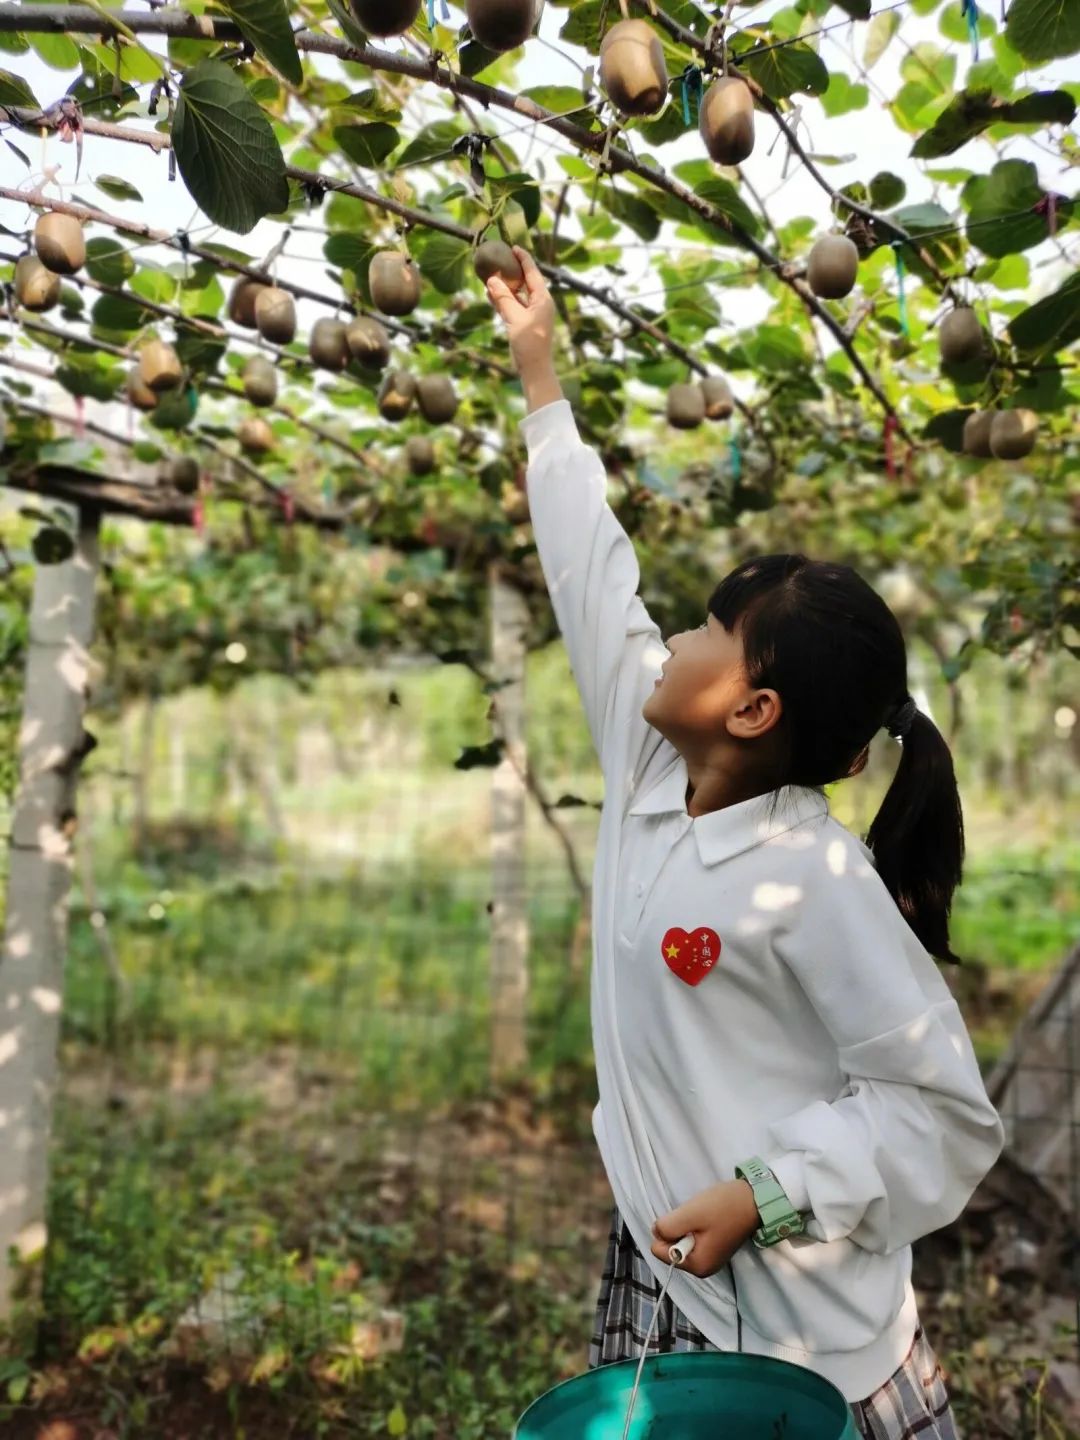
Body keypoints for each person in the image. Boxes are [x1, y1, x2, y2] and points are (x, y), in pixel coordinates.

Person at [485, 248, 1004, 1439]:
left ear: (752, 711)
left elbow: (942, 1114)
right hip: (673, 1265)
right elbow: (587, 575)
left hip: (805, 1319)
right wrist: (537, 369)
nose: (672, 630)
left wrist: (767, 1196)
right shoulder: (649, 773)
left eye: (713, 627)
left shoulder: (817, 881)